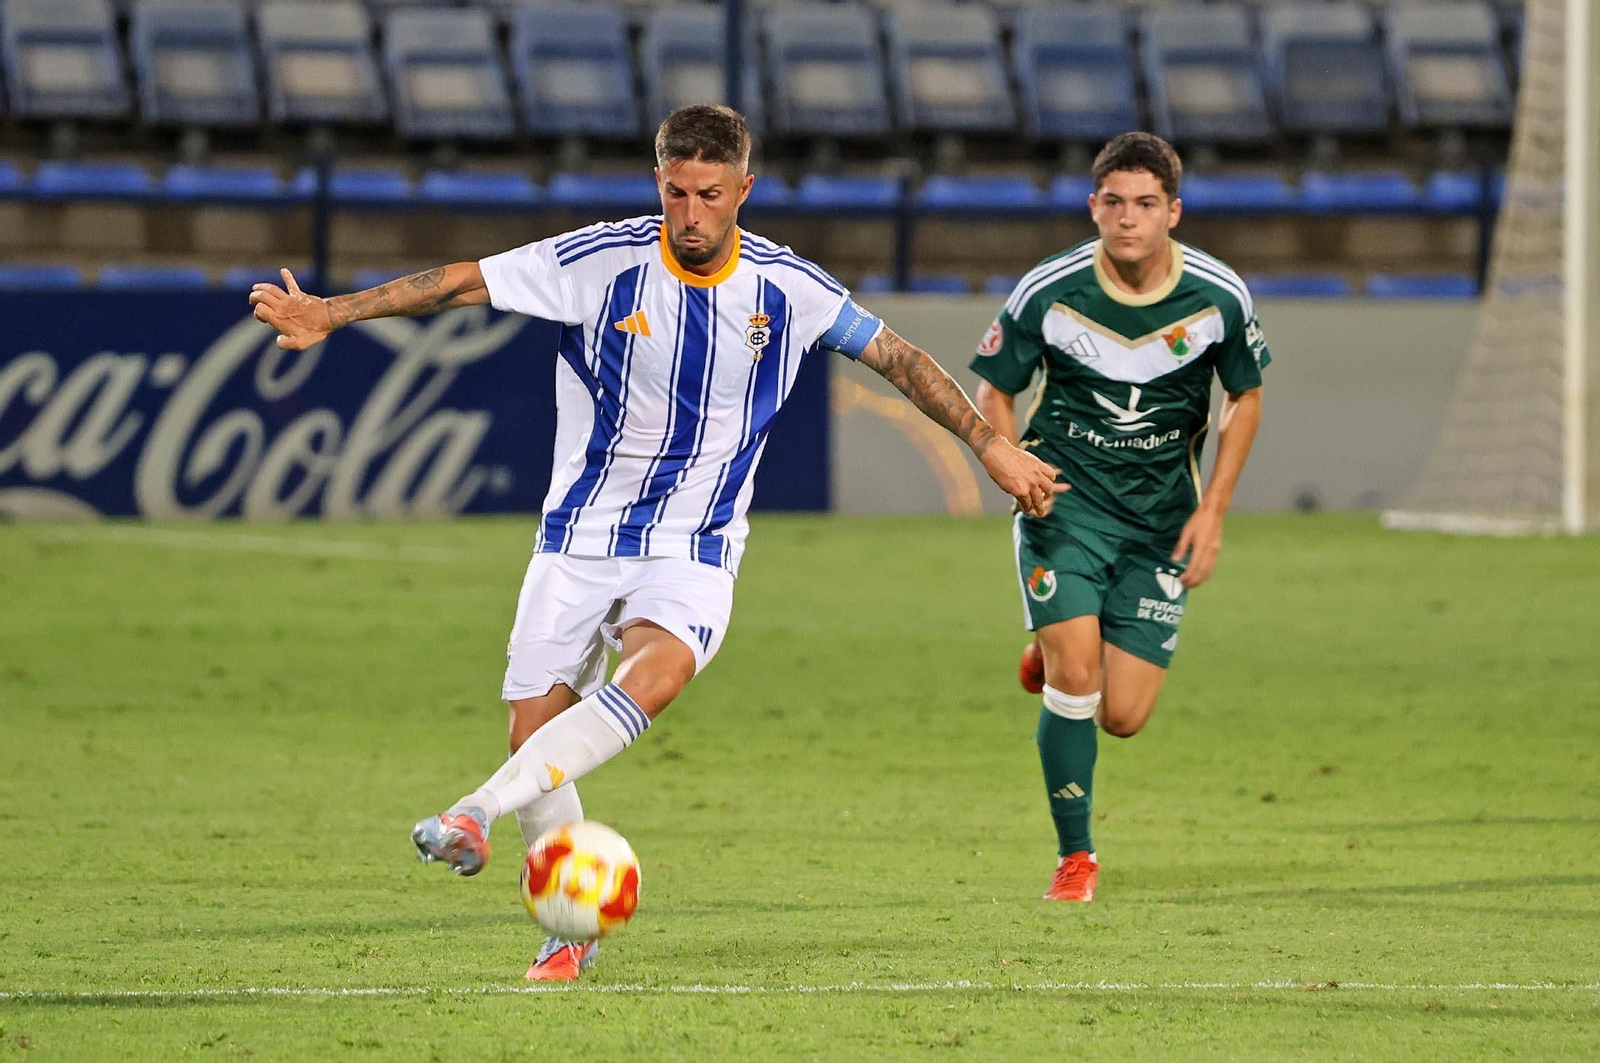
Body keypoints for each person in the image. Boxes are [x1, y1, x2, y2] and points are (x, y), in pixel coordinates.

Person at [248, 104, 1063, 981]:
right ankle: (570, 931)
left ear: (743, 190)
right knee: (535, 731)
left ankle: (474, 812)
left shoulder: (788, 286)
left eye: (711, 193)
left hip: (696, 543)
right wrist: (334, 312)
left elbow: (897, 357)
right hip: (577, 538)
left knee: (657, 673)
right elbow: (461, 282)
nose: (691, 211)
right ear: (658, 183)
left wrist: (989, 445)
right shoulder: (601, 261)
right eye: (676, 191)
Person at [969, 132, 1269, 904]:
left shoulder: (1218, 297)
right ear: (1092, 207)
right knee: (1078, 680)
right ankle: (1077, 858)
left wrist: (1215, 508)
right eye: (1113, 203)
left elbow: (1244, 397)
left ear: (1173, 211)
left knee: (1124, 715)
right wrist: (1010, 459)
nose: (1127, 218)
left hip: (1162, 520)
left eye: (1144, 204)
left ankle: (1053, 645)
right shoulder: (1049, 290)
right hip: (1065, 506)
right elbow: (995, 386)